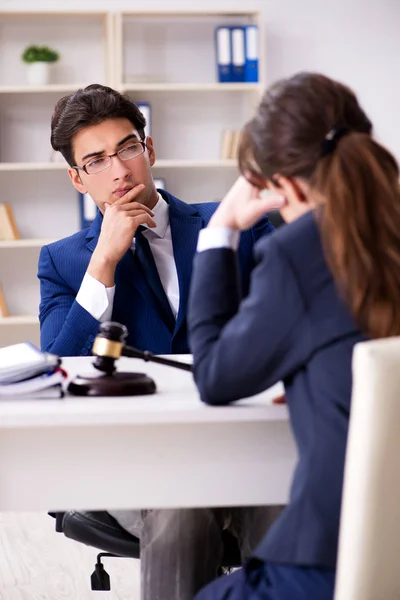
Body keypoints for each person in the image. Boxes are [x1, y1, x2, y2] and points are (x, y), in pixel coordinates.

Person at [38, 84, 281, 600]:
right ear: (77, 179)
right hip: (137, 456)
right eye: (97, 161)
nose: (120, 171)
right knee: (179, 499)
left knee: (279, 500)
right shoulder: (62, 262)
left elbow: (285, 329)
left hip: (240, 441)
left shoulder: (234, 223)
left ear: (149, 149)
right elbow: (58, 375)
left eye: (127, 148)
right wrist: (103, 263)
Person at [188, 71, 400, 600]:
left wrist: (222, 230)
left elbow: (215, 376)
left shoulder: (299, 252)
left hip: (333, 560)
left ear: (287, 185)